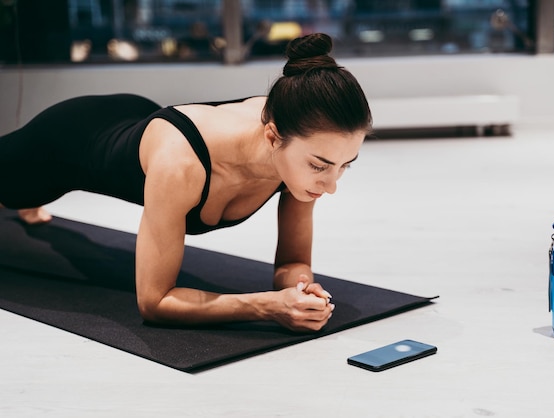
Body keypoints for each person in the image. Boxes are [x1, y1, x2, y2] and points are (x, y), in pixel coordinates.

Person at [0, 33, 372, 332]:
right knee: (15, 192)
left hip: (138, 118)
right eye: (321, 166)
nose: (331, 184)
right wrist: (265, 306)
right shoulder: (181, 165)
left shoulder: (301, 137)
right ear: (273, 137)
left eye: (345, 166)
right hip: (70, 137)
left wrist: (300, 289)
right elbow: (154, 302)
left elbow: (292, 261)